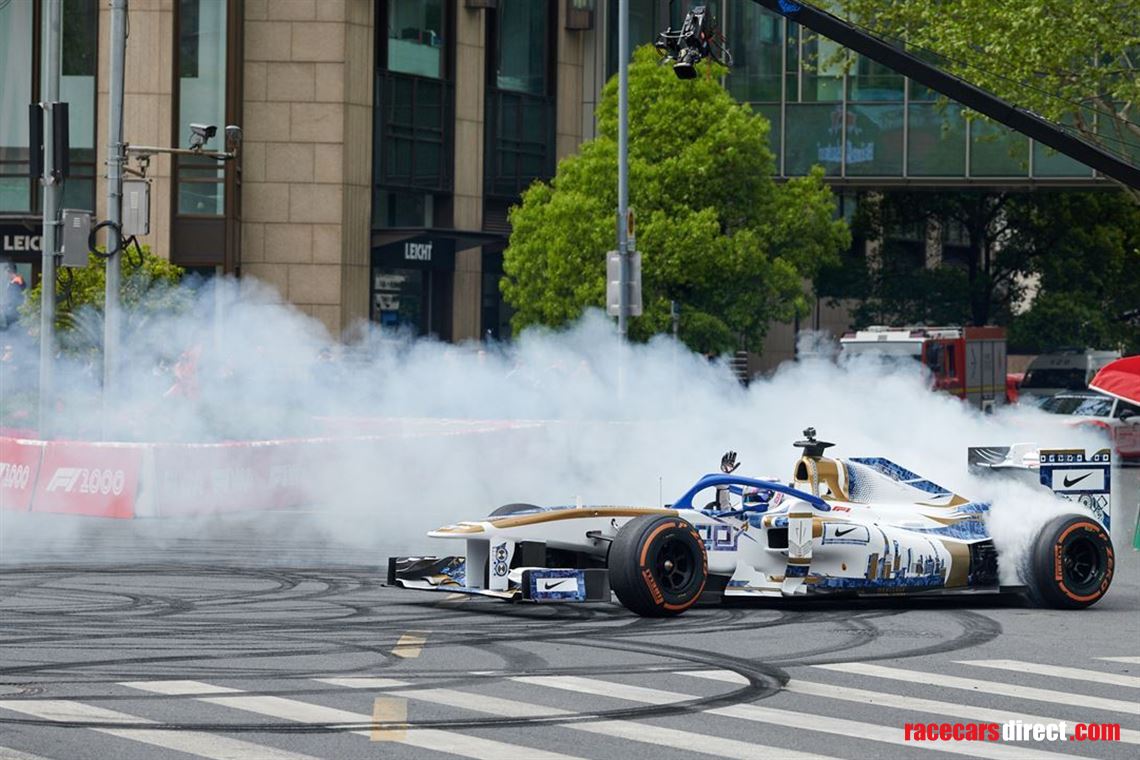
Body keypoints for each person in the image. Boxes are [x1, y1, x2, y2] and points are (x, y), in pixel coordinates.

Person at [2, 263, 26, 329]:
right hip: (14, 314)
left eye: (6, 272)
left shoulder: (16, 283)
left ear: (10, 271)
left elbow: (14, 300)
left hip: (15, 315)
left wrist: (4, 306)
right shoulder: (15, 282)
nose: (5, 275)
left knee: (14, 333)